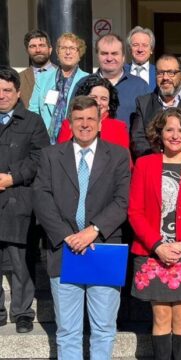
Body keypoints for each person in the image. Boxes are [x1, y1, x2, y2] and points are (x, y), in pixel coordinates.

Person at [33, 96, 131, 360]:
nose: (85, 124)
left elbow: (123, 200)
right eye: (79, 119)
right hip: (64, 250)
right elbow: (41, 196)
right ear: (70, 123)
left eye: (90, 119)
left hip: (103, 249)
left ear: (100, 123)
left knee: (103, 328)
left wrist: (93, 230)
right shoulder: (51, 155)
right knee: (67, 331)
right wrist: (68, 236)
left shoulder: (119, 156)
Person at [128, 107, 181, 360]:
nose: (175, 135)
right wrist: (157, 245)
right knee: (161, 315)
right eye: (169, 129)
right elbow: (135, 212)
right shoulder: (145, 165)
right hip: (152, 253)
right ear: (159, 133)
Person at [0, 66, 50, 333]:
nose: (2, 96)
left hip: (19, 198)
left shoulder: (32, 121)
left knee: (21, 261)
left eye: (7, 90)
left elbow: (40, 158)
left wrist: (12, 177)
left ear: (18, 93)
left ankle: (22, 312)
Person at [29, 32, 89, 144]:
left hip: (75, 139)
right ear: (57, 52)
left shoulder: (88, 80)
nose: (67, 52)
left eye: (72, 48)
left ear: (79, 53)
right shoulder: (42, 78)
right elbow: (33, 110)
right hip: (45, 139)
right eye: (63, 48)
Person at [57, 75, 130, 151]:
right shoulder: (68, 124)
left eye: (103, 99)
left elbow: (124, 159)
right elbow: (61, 155)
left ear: (109, 104)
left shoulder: (119, 128)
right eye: (93, 97)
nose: (98, 102)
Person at [91, 33, 150, 127]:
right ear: (97, 56)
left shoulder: (140, 86)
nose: (109, 58)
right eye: (104, 53)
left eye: (114, 53)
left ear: (123, 57)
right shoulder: (84, 84)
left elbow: (148, 124)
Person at [19, 29, 56, 107]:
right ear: (27, 51)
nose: (38, 50)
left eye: (42, 45)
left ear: (50, 49)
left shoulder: (63, 74)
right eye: (33, 46)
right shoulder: (19, 78)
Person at [125, 26, 157, 92]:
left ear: (151, 49)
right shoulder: (120, 72)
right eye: (135, 45)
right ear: (130, 49)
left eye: (145, 45)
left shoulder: (159, 73)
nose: (140, 49)